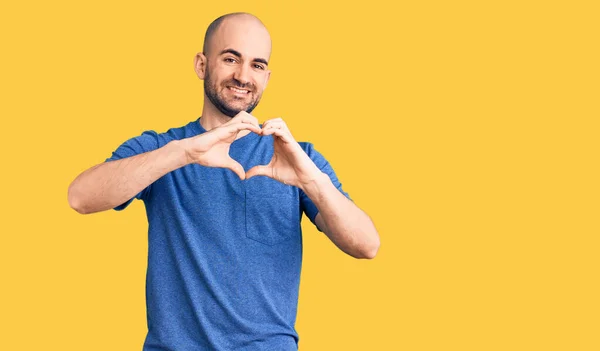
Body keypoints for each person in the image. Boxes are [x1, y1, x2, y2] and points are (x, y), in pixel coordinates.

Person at [68, 12, 379, 351]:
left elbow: (367, 245)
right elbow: (80, 197)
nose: (243, 76)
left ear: (267, 76)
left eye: (257, 65)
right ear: (202, 65)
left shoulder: (296, 157)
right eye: (230, 58)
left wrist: (312, 181)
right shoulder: (163, 148)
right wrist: (183, 154)